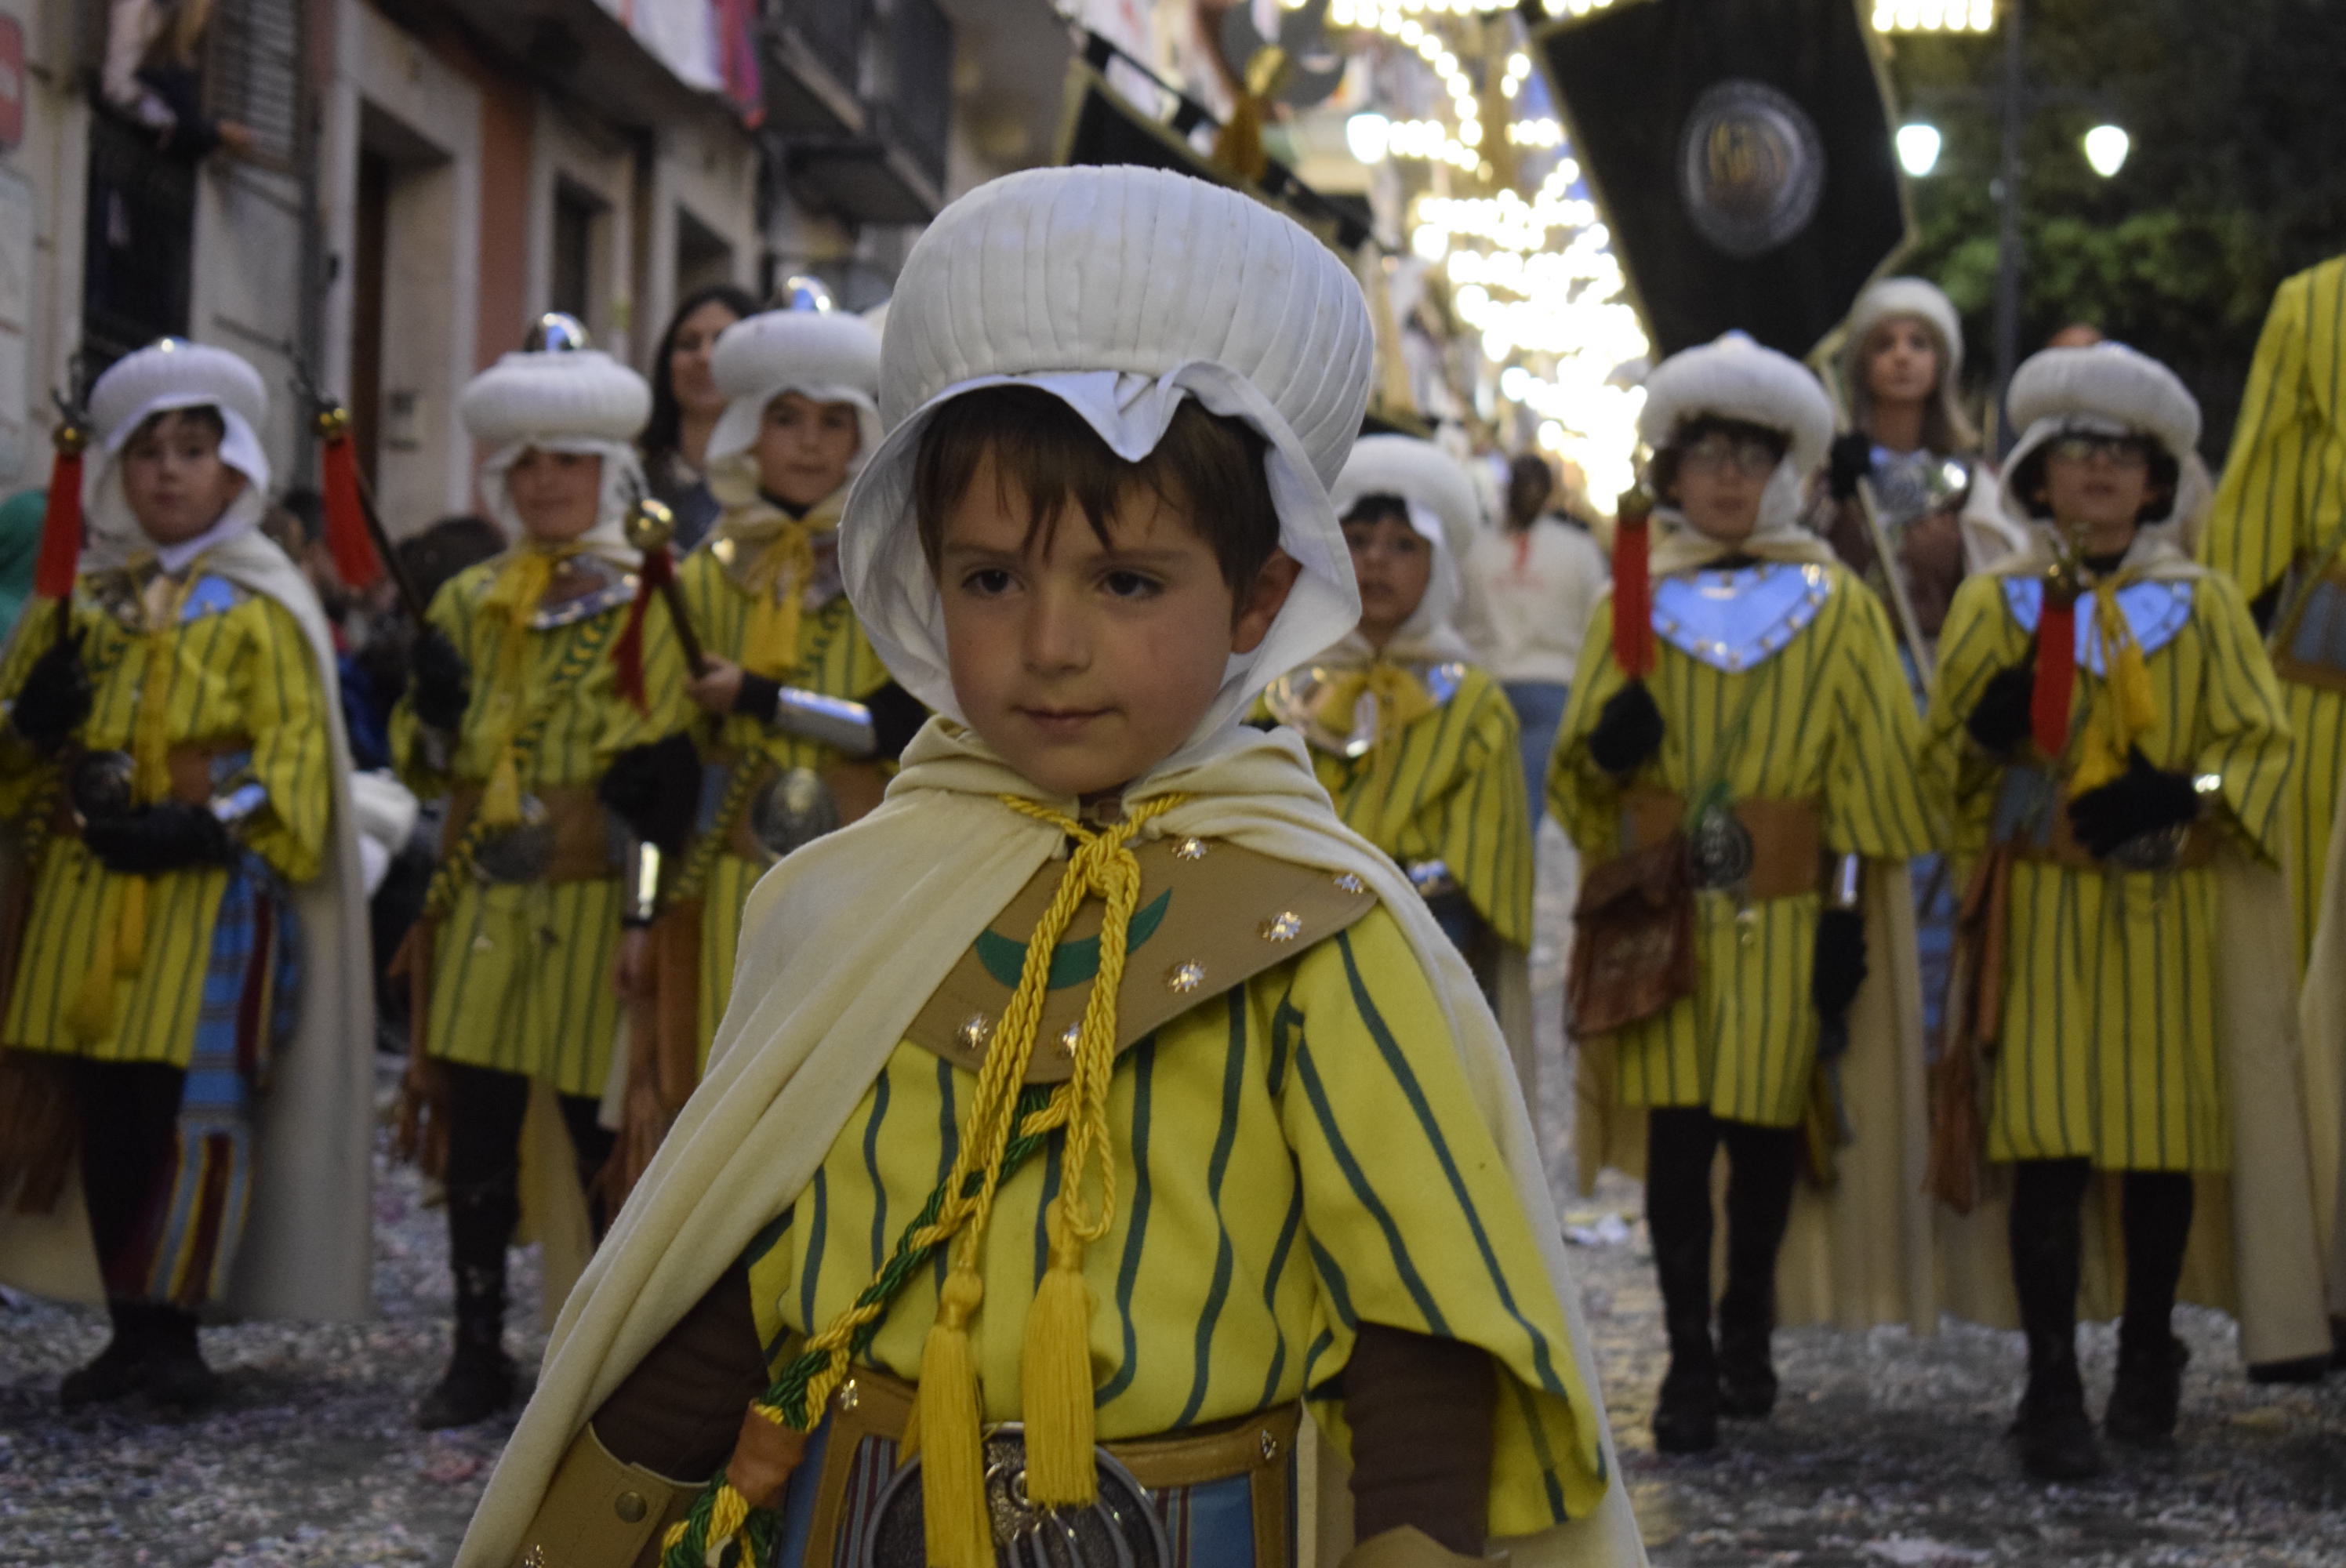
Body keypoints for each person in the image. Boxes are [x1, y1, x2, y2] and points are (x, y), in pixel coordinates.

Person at [454, 165, 1643, 1568]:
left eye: (1126, 582)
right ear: (923, 576)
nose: (1050, 646)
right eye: (991, 579)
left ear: (1258, 597)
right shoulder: (854, 906)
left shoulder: (1327, 934)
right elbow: (739, 1271)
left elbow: (1421, 1340)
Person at [1924, 342, 2330, 1479]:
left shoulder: (2204, 607)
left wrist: (2186, 790)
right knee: (2045, 1151)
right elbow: (1937, 775)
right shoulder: (1996, 605)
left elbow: (2264, 754)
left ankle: (2150, 1352)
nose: (2098, 470)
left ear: (2156, 482)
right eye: (2075, 451)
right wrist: (1985, 734)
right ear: (2037, 476)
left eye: (2123, 454)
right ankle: (2051, 1383)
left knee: (2160, 1153)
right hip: (2040, 915)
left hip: (2166, 916)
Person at [1551, 333, 1937, 1456]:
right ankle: (1687, 1356)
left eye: (1750, 455)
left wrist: (1844, 919)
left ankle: (1747, 1317)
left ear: (1784, 470)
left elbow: (1870, 774)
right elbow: (1579, 783)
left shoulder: (1838, 604)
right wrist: (1607, 754)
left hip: (1783, 916)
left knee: (1765, 1134)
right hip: (1664, 916)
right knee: (1679, 1140)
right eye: (1706, 454)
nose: (1727, 476)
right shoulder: (1629, 598)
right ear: (1671, 471)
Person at [0, 338, 373, 1407]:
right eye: (147, 450)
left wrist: (211, 825)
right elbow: (14, 771)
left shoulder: (264, 603)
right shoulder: (74, 601)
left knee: (193, 1115)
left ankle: (175, 1332)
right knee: (105, 1110)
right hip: (84, 894)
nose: (168, 471)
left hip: (211, 899)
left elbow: (297, 765)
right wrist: (29, 724)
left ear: (235, 464)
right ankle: (127, 1329)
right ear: (115, 468)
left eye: (193, 449)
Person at [390, 327, 692, 1430]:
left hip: (595, 903)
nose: (546, 482)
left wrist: (646, 917)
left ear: (605, 470)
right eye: (526, 463)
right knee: (473, 1128)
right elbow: (425, 769)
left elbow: (665, 782)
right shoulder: (465, 600)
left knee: (598, 1134)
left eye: (568, 461)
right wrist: (428, 713)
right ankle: (476, 1347)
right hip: (482, 901)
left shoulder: (654, 594)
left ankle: (606, 1355)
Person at [616, 304, 922, 1186]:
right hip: (721, 887)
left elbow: (897, 726)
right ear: (750, 429)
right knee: (718, 1119)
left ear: (861, 434)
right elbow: (650, 772)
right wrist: (640, 916)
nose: (810, 442)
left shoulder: (894, 574)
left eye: (833, 421)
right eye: (787, 418)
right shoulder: (696, 577)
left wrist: (758, 698)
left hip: (861, 878)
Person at [1262, 434, 1536, 1091]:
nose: (1377, 560)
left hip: (1428, 948)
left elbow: (1490, 854)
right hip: (1287, 945)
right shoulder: (1274, 692)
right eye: (1357, 540)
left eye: (1404, 545)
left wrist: (1378, 892)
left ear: (1438, 565)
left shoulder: (1475, 705)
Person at [1458, 452, 1609, 828]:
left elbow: (1454, 616)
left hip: (1485, 683)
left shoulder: (1474, 548)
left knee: (1481, 803)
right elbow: (1597, 621)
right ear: (1549, 493)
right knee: (1531, 803)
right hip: (1554, 685)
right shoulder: (1578, 548)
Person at [640, 284, 759, 554]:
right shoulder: (631, 482)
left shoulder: (779, 483)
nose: (705, 357)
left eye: (723, 342)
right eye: (688, 344)